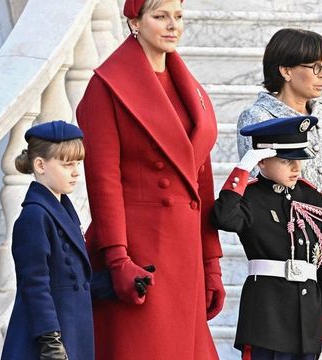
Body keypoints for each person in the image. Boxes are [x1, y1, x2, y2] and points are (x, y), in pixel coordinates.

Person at [76, 0, 224, 358]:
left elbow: (200, 185)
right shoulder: (106, 88)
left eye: (178, 17)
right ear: (135, 23)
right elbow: (103, 182)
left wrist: (211, 264)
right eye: (160, 17)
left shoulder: (193, 91)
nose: (173, 26)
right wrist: (118, 260)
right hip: (141, 256)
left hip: (185, 254)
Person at [237, 28, 322, 347]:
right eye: (314, 66)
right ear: (286, 70)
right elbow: (257, 194)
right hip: (284, 266)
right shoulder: (257, 117)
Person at [212, 116, 322, 360]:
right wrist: (242, 169)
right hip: (266, 321)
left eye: (298, 160)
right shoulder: (249, 197)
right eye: (285, 160)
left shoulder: (316, 201)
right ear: (262, 163)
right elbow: (223, 218)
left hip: (308, 324)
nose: (296, 168)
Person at [1, 121, 91, 360]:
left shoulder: (65, 212)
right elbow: (35, 286)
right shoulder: (34, 216)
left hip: (73, 336)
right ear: (40, 165)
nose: (75, 172)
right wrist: (50, 343)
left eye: (78, 163)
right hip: (46, 345)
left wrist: (117, 283)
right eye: (67, 164)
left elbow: (74, 282)